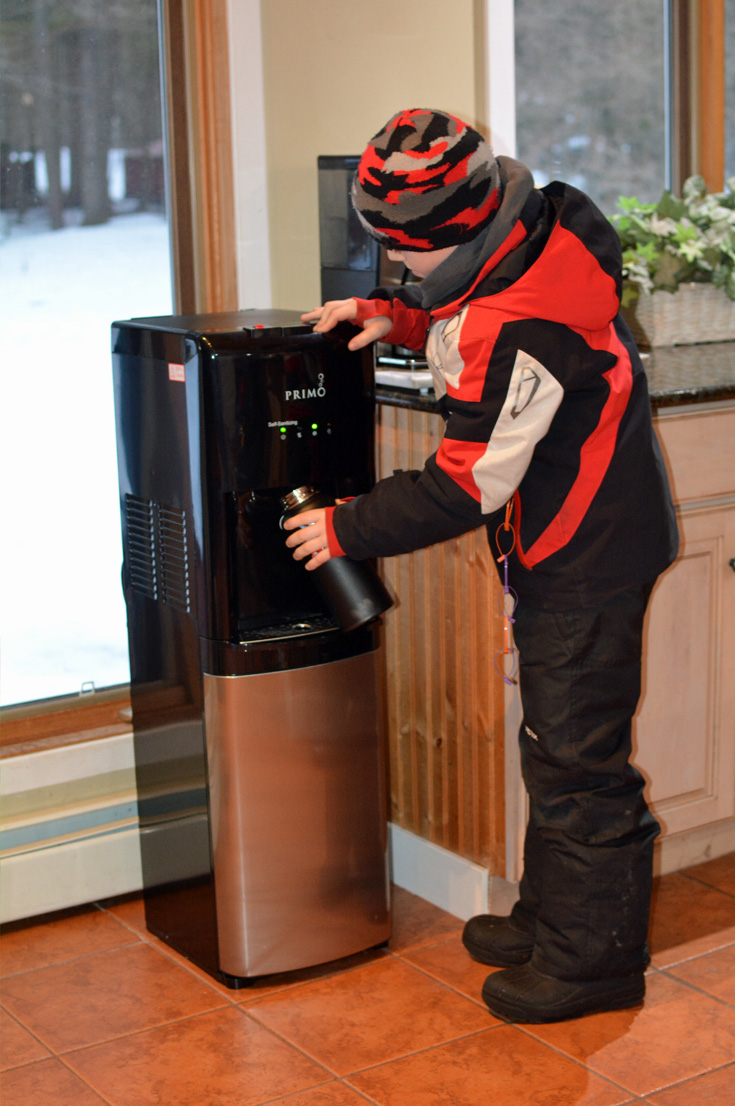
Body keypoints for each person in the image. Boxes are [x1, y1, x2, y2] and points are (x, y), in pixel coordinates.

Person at [283, 107, 679, 1024]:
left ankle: (595, 964)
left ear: (454, 230)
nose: (394, 267)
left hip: (585, 552)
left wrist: (346, 530)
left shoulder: (521, 325)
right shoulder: (526, 231)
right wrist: (386, 315)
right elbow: (462, 310)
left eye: (401, 255)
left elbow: (465, 485)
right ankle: (554, 919)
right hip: (573, 536)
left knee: (581, 763)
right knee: (552, 744)